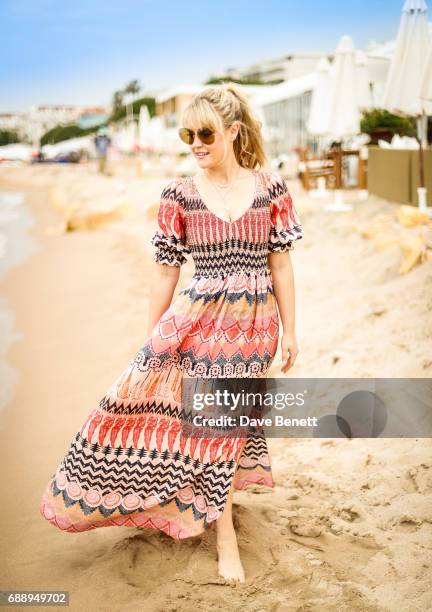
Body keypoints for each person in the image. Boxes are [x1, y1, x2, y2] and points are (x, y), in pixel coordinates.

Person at [39, 84, 303, 584]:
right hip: (198, 321)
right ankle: (223, 534)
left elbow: (282, 266)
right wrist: (151, 340)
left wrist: (291, 331)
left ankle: (210, 513)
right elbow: (166, 270)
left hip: (254, 327)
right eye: (188, 134)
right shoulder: (178, 195)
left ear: (233, 131)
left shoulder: (271, 188)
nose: (195, 143)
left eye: (205, 133)